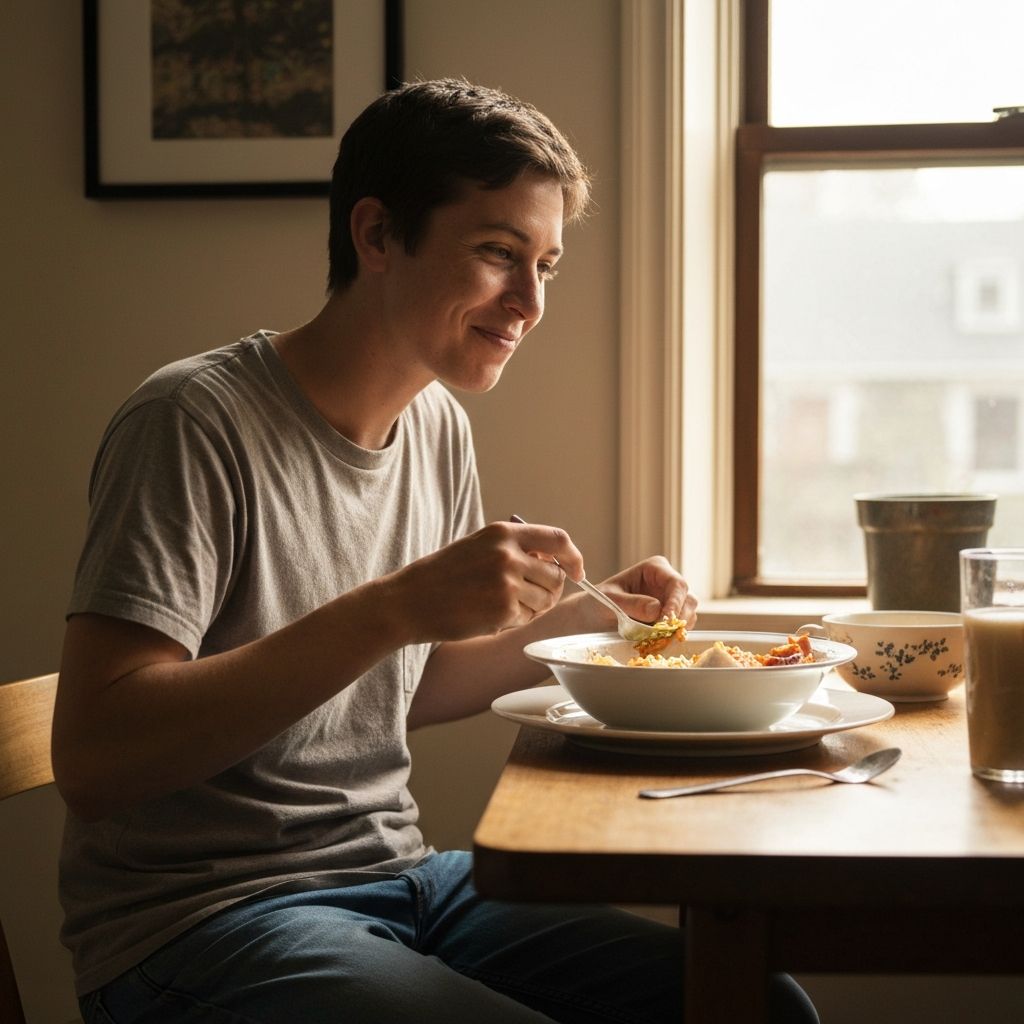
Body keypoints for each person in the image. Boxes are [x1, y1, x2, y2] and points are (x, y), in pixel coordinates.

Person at [53, 78, 818, 1023]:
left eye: (546, 265)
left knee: (756, 1005)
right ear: (377, 235)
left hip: (403, 879)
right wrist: (398, 606)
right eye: (498, 253)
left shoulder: (436, 423)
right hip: (204, 919)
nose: (529, 301)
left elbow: (400, 687)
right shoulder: (191, 421)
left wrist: (598, 621)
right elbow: (94, 759)